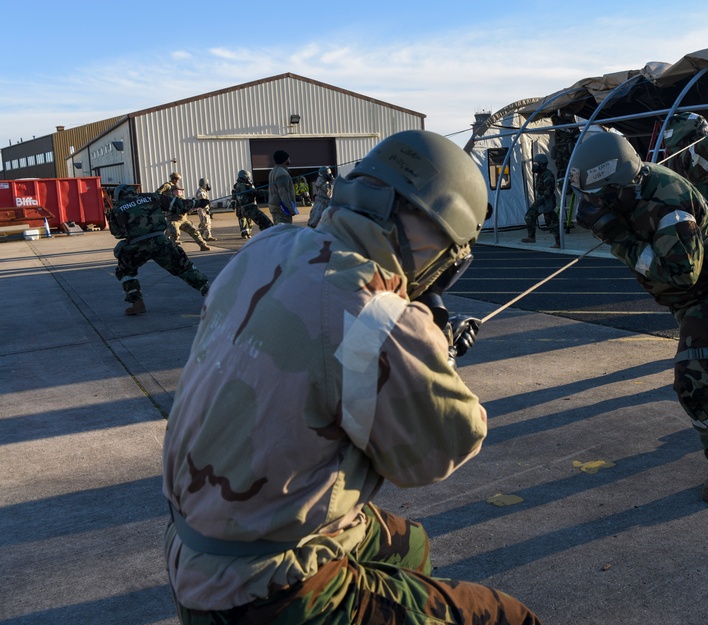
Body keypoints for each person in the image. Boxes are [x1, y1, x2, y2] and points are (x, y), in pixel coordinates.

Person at [161, 130, 542, 624]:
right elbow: (432, 455)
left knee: (409, 547)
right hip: (263, 589)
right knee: (508, 618)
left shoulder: (268, 247)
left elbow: (319, 352)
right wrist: (427, 345)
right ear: (436, 240)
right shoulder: (377, 319)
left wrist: (408, 334)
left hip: (195, 544)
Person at [569, 131, 708, 504]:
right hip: (693, 294)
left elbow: (679, 274)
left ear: (618, 187)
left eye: (598, 197)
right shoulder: (635, 184)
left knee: (696, 382)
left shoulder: (669, 208)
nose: (592, 204)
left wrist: (617, 237)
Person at [106, 184, 210, 316]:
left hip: (136, 246)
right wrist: (199, 202)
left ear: (119, 195)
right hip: (160, 241)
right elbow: (178, 205)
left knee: (125, 271)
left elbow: (117, 233)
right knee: (184, 267)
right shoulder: (151, 197)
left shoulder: (117, 209)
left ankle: (137, 303)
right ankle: (209, 292)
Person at [521, 153, 559, 247]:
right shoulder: (541, 174)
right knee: (529, 216)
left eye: (537, 164)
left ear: (542, 164)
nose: (535, 166)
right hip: (541, 200)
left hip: (547, 201)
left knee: (551, 222)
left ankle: (559, 242)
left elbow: (549, 190)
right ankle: (531, 237)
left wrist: (542, 199)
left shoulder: (547, 175)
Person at [232, 169, 273, 238]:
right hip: (251, 208)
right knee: (265, 222)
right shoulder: (246, 186)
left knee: (259, 222)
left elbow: (234, 198)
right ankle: (269, 235)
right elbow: (257, 192)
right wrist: (269, 192)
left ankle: (248, 233)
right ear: (245, 177)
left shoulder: (236, 186)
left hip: (243, 209)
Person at [267, 149, 298, 224]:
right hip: (281, 208)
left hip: (274, 206)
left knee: (279, 231)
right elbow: (283, 193)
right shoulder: (282, 174)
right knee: (285, 232)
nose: (289, 159)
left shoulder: (273, 171)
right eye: (288, 158)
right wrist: (290, 209)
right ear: (285, 159)